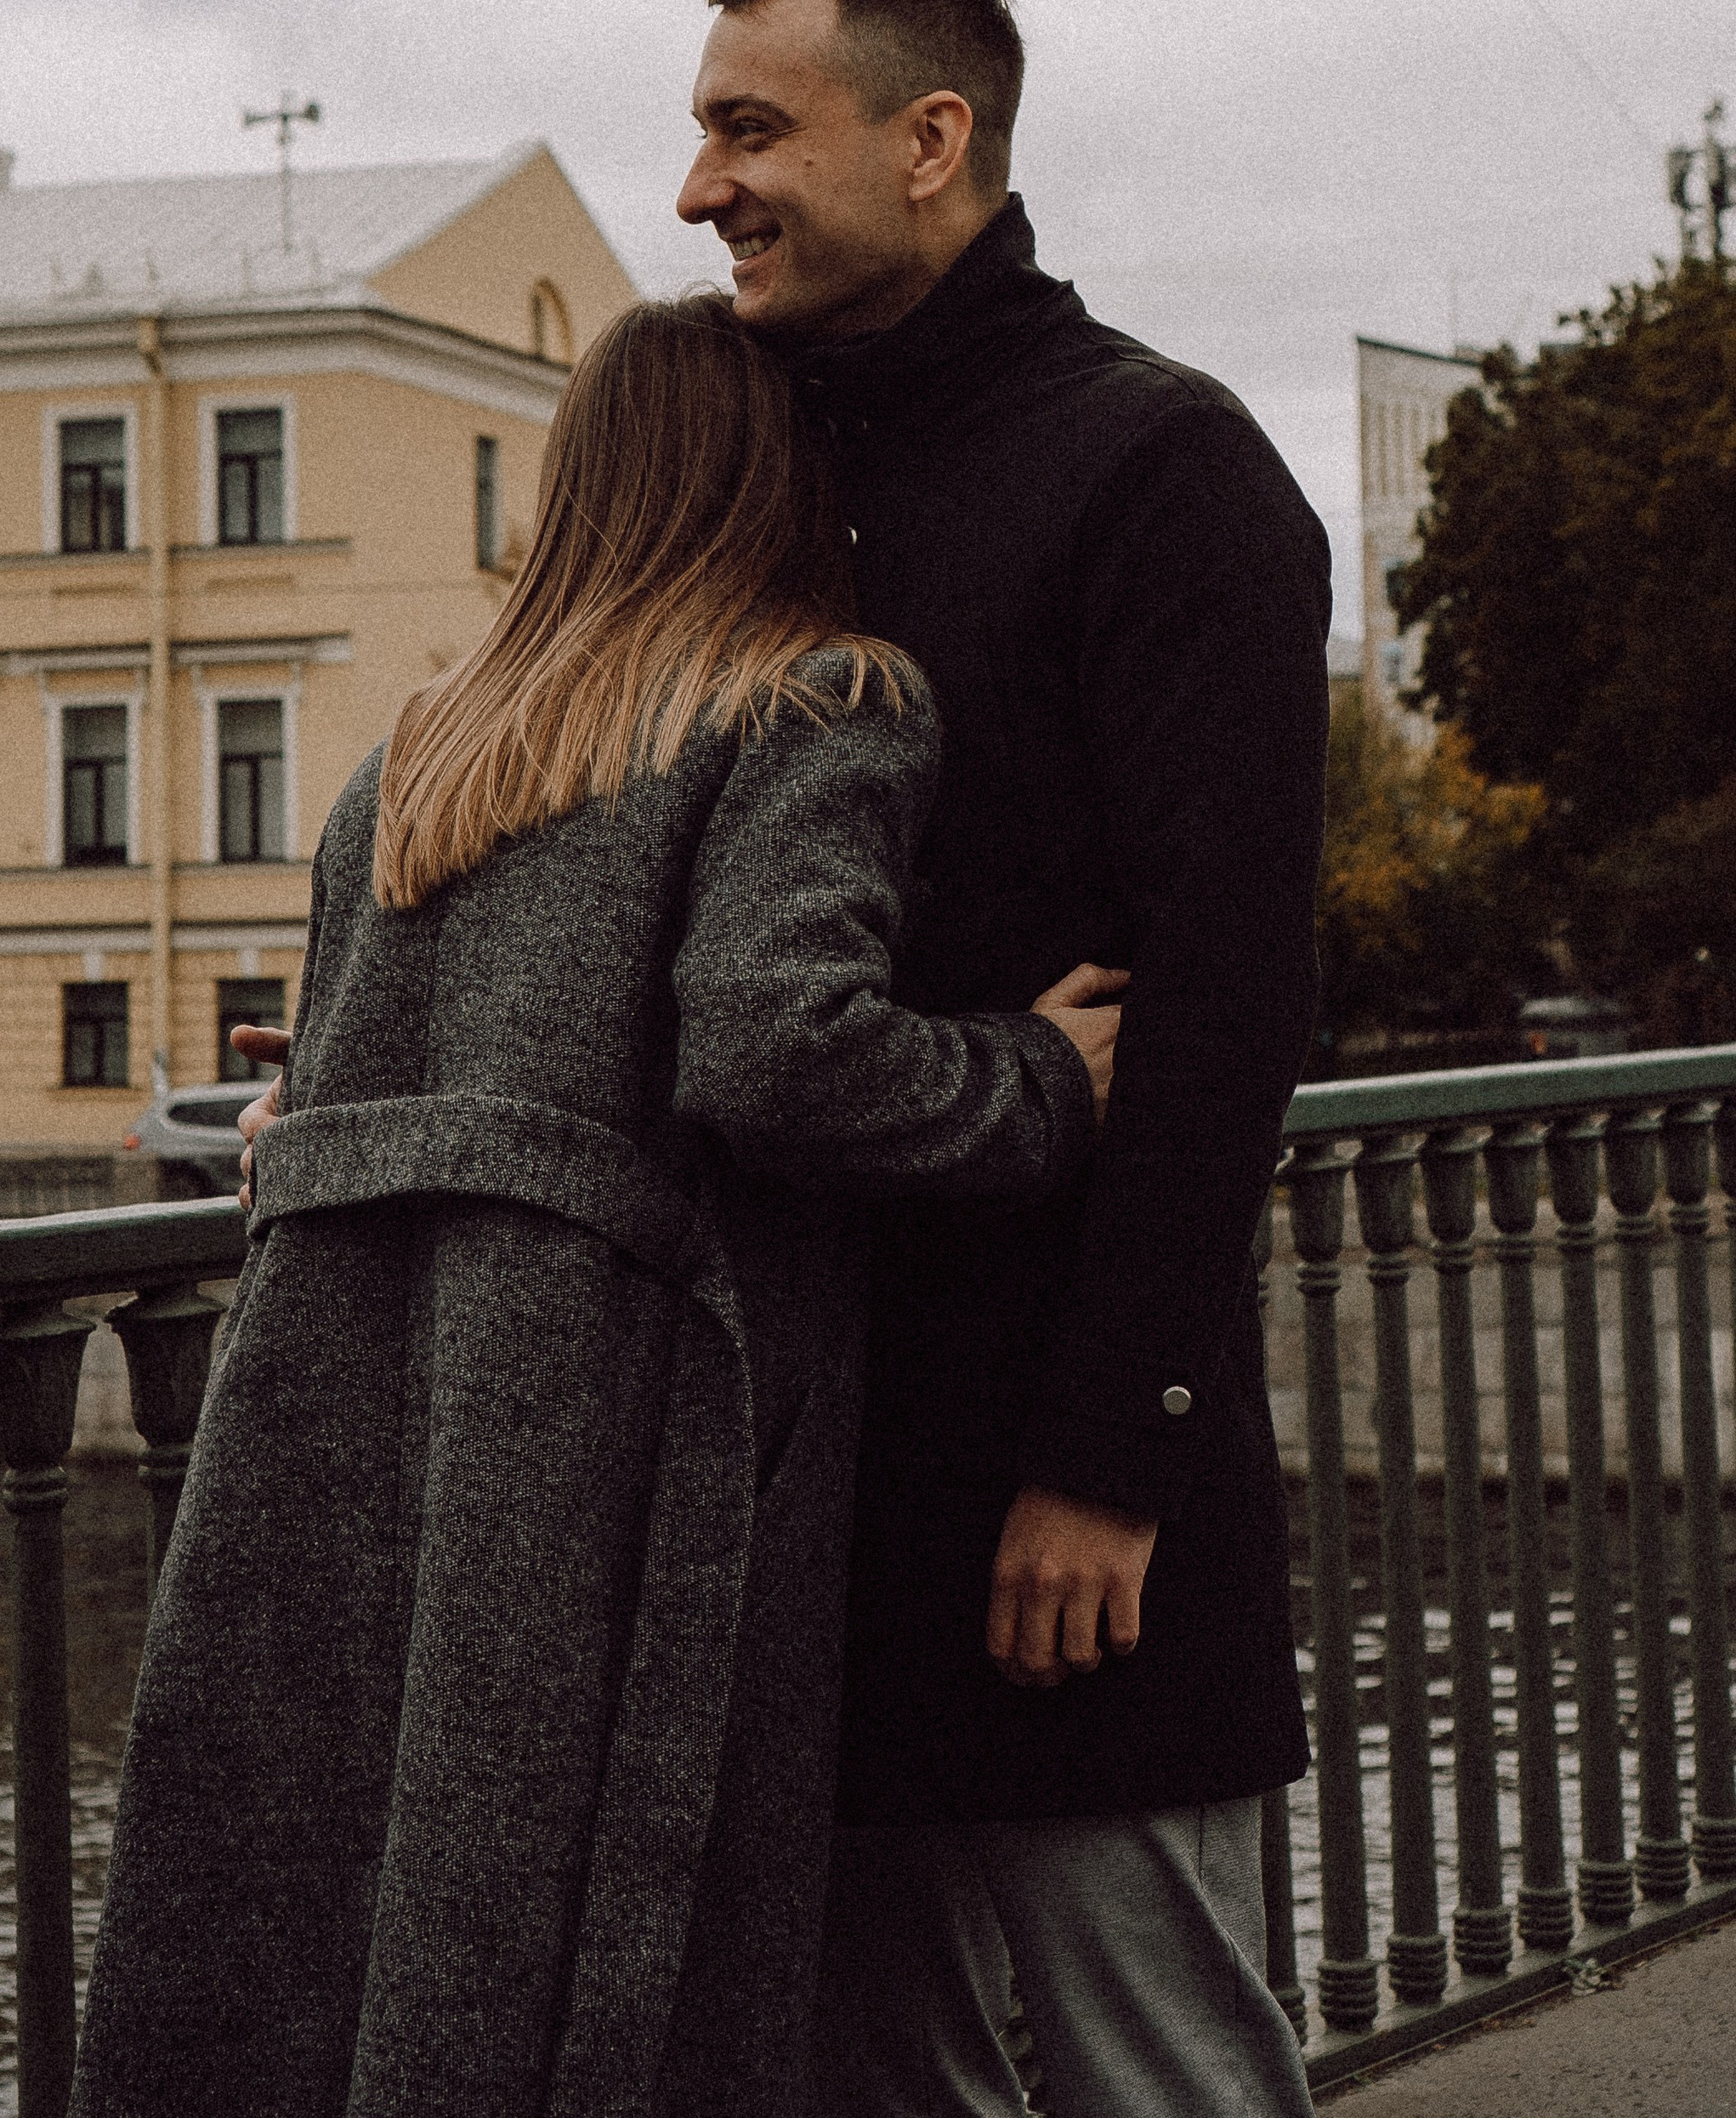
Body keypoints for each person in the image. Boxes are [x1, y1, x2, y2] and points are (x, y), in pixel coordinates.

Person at [72, 290, 1119, 2118]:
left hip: (335, 1411)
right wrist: (1035, 1076)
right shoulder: (820, 697)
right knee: (602, 1945)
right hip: (611, 1433)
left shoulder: (416, 752)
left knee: (344, 1911)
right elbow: (773, 1052)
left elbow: (299, 1102)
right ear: (781, 468)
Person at [673, 0, 1330, 2118]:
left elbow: (1227, 1009)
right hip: (804, 1492)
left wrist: (1107, 1463)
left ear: (931, 139)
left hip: (1069, 1506)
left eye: (751, 129)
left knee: (1162, 2086)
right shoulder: (746, 469)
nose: (699, 188)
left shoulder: (1166, 467)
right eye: (703, 133)